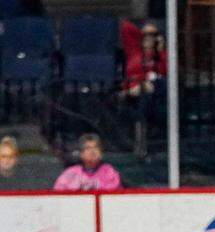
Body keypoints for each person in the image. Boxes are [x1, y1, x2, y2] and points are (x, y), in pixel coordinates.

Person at [120, 20, 167, 157]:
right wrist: (143, 33)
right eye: (145, 34)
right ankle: (141, 144)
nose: (148, 37)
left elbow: (165, 72)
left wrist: (160, 48)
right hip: (131, 91)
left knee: (149, 90)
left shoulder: (161, 55)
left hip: (151, 94)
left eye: (152, 35)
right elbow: (125, 26)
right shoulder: (134, 51)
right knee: (142, 91)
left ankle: (141, 145)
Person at [53, 134, 121, 192]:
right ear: (81, 153)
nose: (93, 151)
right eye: (88, 148)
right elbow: (58, 195)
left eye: (96, 148)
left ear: (101, 152)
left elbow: (113, 197)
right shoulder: (70, 173)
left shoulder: (109, 172)